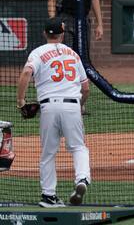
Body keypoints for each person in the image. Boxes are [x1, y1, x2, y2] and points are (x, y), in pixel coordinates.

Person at [16, 17, 91, 207]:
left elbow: (26, 73)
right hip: (72, 105)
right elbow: (86, 88)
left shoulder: (38, 52)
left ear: (44, 34)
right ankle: (81, 180)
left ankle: (49, 196)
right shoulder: (73, 54)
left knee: (48, 153)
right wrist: (81, 105)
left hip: (48, 107)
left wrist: (21, 101)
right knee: (78, 147)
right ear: (62, 34)